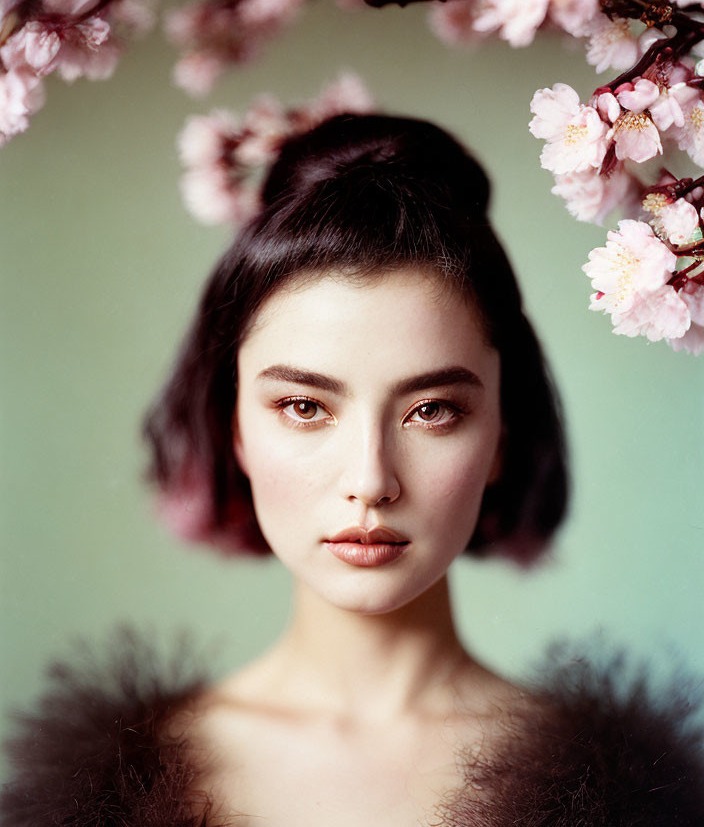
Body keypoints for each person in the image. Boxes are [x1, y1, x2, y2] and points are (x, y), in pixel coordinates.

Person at [2, 113, 703, 826]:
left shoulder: (642, 800)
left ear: (501, 435)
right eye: (305, 406)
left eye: (433, 410)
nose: (370, 481)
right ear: (232, 426)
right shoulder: (95, 799)